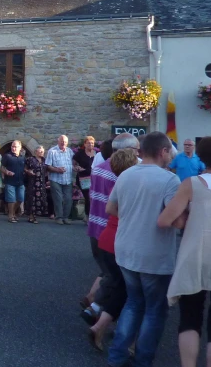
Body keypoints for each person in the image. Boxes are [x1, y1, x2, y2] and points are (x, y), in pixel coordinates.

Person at [105, 132, 181, 367]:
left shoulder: (126, 174)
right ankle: (142, 360)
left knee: (133, 303)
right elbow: (176, 220)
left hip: (126, 249)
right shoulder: (169, 180)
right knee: (155, 310)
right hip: (153, 254)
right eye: (169, 151)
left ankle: (116, 356)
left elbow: (110, 208)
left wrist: (133, 216)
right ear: (163, 152)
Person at [157, 137, 211, 367]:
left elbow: (165, 220)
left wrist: (186, 220)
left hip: (195, 255)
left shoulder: (191, 184)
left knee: (190, 318)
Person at [86, 148, 139, 350]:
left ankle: (97, 313)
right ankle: (125, 339)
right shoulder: (129, 184)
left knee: (119, 286)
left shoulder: (117, 182)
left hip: (106, 238)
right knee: (129, 291)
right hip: (120, 241)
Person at [46, 135, 74, 225]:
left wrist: (76, 167)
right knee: (58, 199)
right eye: (62, 141)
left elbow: (74, 163)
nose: (63, 143)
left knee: (68, 199)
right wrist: (57, 170)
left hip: (68, 179)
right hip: (55, 179)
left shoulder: (70, 151)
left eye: (65, 142)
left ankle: (65, 217)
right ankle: (59, 217)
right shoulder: (52, 151)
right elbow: (48, 166)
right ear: (58, 141)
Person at [1, 140, 26, 223]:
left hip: (20, 182)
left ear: (20, 147)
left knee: (20, 199)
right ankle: (11, 216)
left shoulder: (22, 157)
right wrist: (7, 172)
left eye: (15, 146)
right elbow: (2, 167)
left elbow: (25, 168)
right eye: (12, 146)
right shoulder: (7, 156)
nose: (13, 148)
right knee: (11, 200)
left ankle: (12, 213)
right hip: (10, 182)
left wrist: (28, 171)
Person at [73, 136, 97, 223]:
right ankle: (87, 216)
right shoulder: (80, 154)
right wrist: (77, 167)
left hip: (94, 179)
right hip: (84, 179)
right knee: (88, 197)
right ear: (85, 144)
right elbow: (74, 164)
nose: (90, 145)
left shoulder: (97, 154)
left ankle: (92, 216)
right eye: (88, 143)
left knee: (93, 197)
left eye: (92, 143)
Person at [24, 145, 48, 222]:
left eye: (42, 151)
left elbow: (47, 170)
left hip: (41, 183)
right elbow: (25, 168)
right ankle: (31, 216)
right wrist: (28, 171)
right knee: (32, 199)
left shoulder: (44, 160)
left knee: (40, 199)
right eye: (40, 151)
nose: (41, 152)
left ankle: (36, 216)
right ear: (35, 152)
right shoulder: (30, 159)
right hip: (32, 182)